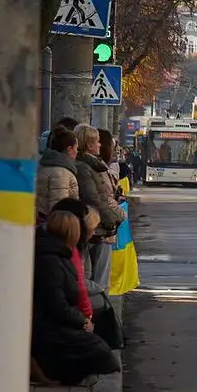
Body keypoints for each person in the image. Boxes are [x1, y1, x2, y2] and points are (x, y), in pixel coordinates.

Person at [31, 210, 120, 385]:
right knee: (98, 350)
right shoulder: (52, 260)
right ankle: (56, 372)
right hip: (48, 326)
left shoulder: (60, 254)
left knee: (99, 346)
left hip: (56, 320)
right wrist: (82, 320)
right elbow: (57, 304)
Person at [73, 124, 124, 289]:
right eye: (96, 141)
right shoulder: (85, 167)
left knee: (94, 279)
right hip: (97, 228)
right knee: (98, 282)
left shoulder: (94, 164)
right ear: (89, 144)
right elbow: (94, 198)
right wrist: (115, 217)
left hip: (98, 228)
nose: (100, 145)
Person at [36, 127, 80, 223]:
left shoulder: (44, 165)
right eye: (76, 148)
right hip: (56, 225)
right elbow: (60, 208)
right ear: (69, 149)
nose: (77, 152)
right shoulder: (61, 173)